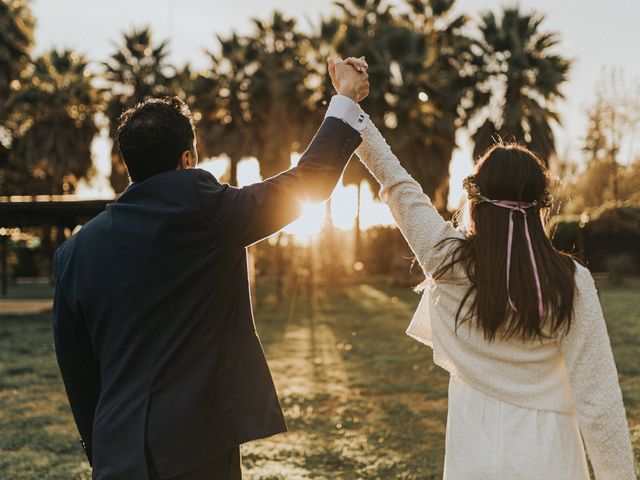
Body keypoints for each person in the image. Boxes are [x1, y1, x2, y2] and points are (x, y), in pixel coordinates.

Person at [52, 58, 369, 479]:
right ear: (187, 159)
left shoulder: (74, 253)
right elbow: (305, 182)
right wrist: (345, 99)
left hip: (117, 454)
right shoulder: (205, 210)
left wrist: (104, 449)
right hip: (198, 449)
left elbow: (77, 371)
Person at [332, 59, 636, 479]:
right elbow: (598, 402)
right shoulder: (572, 281)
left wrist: (347, 103)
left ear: (474, 199)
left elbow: (395, 181)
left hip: (473, 453)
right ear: (541, 206)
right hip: (547, 456)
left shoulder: (447, 258)